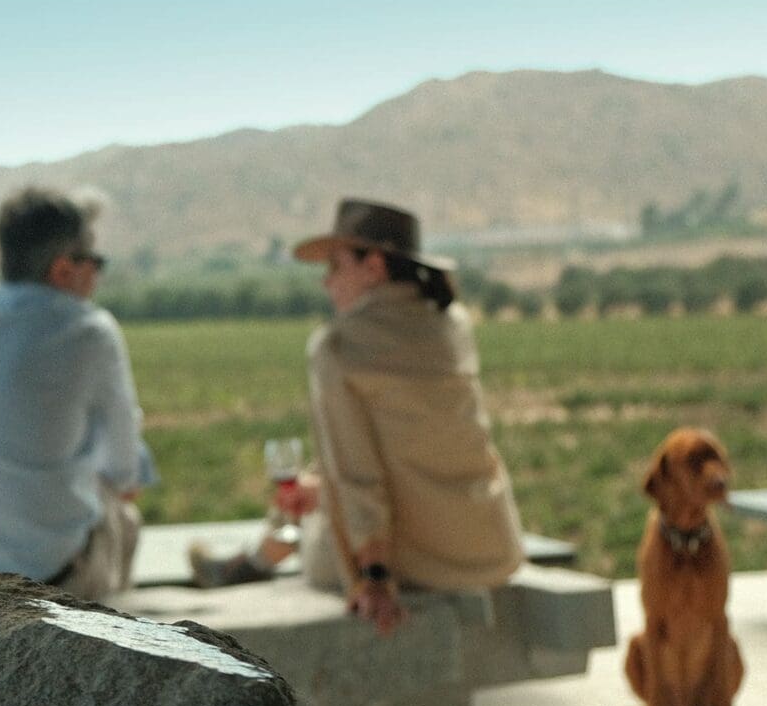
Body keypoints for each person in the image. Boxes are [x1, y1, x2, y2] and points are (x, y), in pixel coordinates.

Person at [192, 199, 525, 635]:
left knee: (318, 516)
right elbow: (414, 443)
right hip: (489, 545)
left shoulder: (337, 347)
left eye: (335, 265)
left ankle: (251, 562)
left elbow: (357, 473)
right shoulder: (453, 325)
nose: (326, 281)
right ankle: (256, 554)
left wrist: (373, 577)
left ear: (374, 266)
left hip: (416, 561)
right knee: (320, 490)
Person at [0, 185, 155, 601]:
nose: (97, 273)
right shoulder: (89, 331)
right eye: (95, 260)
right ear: (63, 270)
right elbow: (124, 472)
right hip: (44, 576)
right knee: (123, 517)